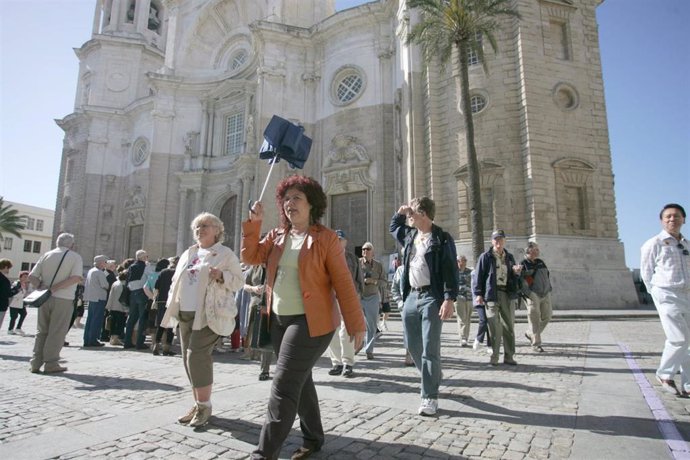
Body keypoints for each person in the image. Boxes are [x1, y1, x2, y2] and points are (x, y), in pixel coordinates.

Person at [242, 175, 365, 460]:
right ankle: (313, 438)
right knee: (301, 380)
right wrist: (254, 223)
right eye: (286, 199)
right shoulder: (277, 236)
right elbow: (249, 257)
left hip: (311, 323)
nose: (289, 204)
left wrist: (356, 324)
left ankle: (264, 453)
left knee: (284, 384)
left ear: (312, 204)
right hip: (279, 321)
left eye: (297, 198)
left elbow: (343, 283)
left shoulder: (325, 238)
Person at [161, 212, 244, 427]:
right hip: (185, 313)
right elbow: (175, 282)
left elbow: (238, 282)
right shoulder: (189, 253)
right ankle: (198, 403)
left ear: (218, 230)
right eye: (197, 226)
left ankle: (205, 406)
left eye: (206, 225)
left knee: (196, 356)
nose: (200, 229)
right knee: (188, 361)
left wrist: (221, 276)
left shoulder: (225, 254)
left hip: (209, 313)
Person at [390, 197, 458, 416]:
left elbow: (450, 270)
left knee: (430, 348)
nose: (411, 215)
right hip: (411, 296)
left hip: (431, 297)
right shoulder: (410, 235)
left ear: (426, 215)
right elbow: (394, 227)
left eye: (415, 212)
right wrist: (402, 212)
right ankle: (433, 375)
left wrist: (449, 299)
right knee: (412, 344)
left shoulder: (442, 238)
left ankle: (429, 396)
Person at [641, 203, 690, 396]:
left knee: (689, 341)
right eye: (668, 216)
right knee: (679, 337)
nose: (672, 219)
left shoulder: (687, 244)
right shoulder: (654, 243)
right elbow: (646, 272)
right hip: (667, 293)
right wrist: (656, 293)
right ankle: (664, 373)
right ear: (662, 221)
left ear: (683, 219)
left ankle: (688, 384)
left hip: (687, 294)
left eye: (676, 216)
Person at [28, 233, 84, 373]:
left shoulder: (47, 255)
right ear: (71, 244)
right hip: (63, 298)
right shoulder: (74, 257)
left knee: (41, 331)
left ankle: (35, 363)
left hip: (44, 298)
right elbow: (76, 277)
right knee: (57, 331)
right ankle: (51, 363)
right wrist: (54, 289)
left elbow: (32, 276)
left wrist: (42, 287)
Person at [472, 229, 523, 367]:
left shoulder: (510, 257)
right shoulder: (486, 256)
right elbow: (479, 276)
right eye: (496, 239)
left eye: (500, 239)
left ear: (504, 240)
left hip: (507, 294)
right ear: (492, 241)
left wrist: (516, 273)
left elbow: (514, 277)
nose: (498, 242)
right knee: (494, 326)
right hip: (491, 295)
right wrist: (478, 294)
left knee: (509, 326)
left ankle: (509, 356)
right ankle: (494, 357)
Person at [327, 229, 363, 377]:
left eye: (340, 240)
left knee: (347, 331)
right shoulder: (325, 257)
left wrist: (358, 296)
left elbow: (358, 279)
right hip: (331, 299)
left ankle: (348, 363)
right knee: (332, 333)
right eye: (335, 239)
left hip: (348, 299)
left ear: (345, 242)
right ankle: (336, 363)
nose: (338, 242)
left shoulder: (352, 259)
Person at [520, 242, 553, 353]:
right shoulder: (523, 264)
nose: (537, 251)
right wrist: (530, 293)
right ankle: (536, 344)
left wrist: (548, 288)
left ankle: (530, 334)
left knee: (547, 316)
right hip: (533, 294)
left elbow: (546, 276)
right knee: (534, 319)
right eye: (535, 249)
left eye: (537, 249)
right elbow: (523, 280)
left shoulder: (541, 262)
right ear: (529, 251)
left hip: (545, 293)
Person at [359, 241, 386, 360]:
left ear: (373, 252)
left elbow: (384, 282)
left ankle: (369, 350)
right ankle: (356, 346)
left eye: (368, 249)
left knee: (371, 325)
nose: (365, 251)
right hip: (359, 296)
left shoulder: (378, 265)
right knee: (355, 323)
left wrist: (373, 281)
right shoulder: (357, 263)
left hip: (373, 297)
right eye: (363, 249)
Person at [124, 249, 151, 349]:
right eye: (146, 256)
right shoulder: (145, 266)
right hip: (142, 293)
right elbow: (150, 277)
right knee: (142, 318)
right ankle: (140, 343)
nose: (147, 258)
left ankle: (127, 342)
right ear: (143, 257)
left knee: (132, 319)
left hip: (132, 293)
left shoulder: (132, 266)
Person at [390, 256, 414, 367]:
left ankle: (419, 353)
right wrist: (400, 302)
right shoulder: (400, 270)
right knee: (407, 330)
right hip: (404, 306)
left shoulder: (421, 268)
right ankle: (409, 353)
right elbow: (394, 288)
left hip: (419, 303)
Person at [83, 255, 110, 347]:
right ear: (101, 262)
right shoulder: (99, 272)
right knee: (96, 320)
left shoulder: (91, 271)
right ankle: (93, 339)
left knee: (90, 319)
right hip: (99, 298)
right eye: (105, 262)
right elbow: (105, 285)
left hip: (91, 298)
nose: (105, 264)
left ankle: (87, 339)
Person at [152, 257, 178, 356]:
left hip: (162, 301)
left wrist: (155, 299)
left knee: (161, 324)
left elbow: (156, 287)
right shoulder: (178, 273)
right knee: (171, 324)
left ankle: (156, 345)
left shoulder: (163, 272)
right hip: (173, 301)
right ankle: (167, 348)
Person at [144, 258, 170, 354]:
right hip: (164, 302)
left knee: (153, 324)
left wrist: (153, 298)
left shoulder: (152, 275)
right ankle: (164, 345)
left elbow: (146, 288)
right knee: (164, 325)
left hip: (154, 302)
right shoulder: (166, 274)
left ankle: (154, 343)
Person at [454, 255, 473, 347]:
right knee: (462, 318)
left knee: (467, 318)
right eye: (460, 261)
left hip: (469, 298)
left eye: (464, 261)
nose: (462, 263)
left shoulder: (470, 272)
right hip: (458, 297)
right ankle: (462, 338)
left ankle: (466, 336)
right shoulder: (454, 272)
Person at [105, 270, 129, 346]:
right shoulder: (124, 285)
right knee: (119, 324)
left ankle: (112, 339)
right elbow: (123, 299)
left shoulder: (115, 283)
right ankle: (115, 339)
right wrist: (127, 310)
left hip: (112, 307)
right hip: (120, 308)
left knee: (113, 323)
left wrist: (108, 306)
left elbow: (110, 296)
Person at [8, 270, 30, 335]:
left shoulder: (25, 284)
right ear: (20, 277)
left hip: (21, 303)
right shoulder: (17, 283)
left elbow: (23, 293)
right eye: (24, 277)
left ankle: (18, 328)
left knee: (24, 314)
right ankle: (10, 329)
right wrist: (18, 290)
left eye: (27, 277)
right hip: (14, 302)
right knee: (14, 316)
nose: (26, 278)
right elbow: (12, 291)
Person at [0, 259, 13, 331]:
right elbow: (8, 293)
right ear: (5, 267)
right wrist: (16, 290)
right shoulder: (4, 280)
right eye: (8, 268)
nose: (8, 270)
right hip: (1, 305)